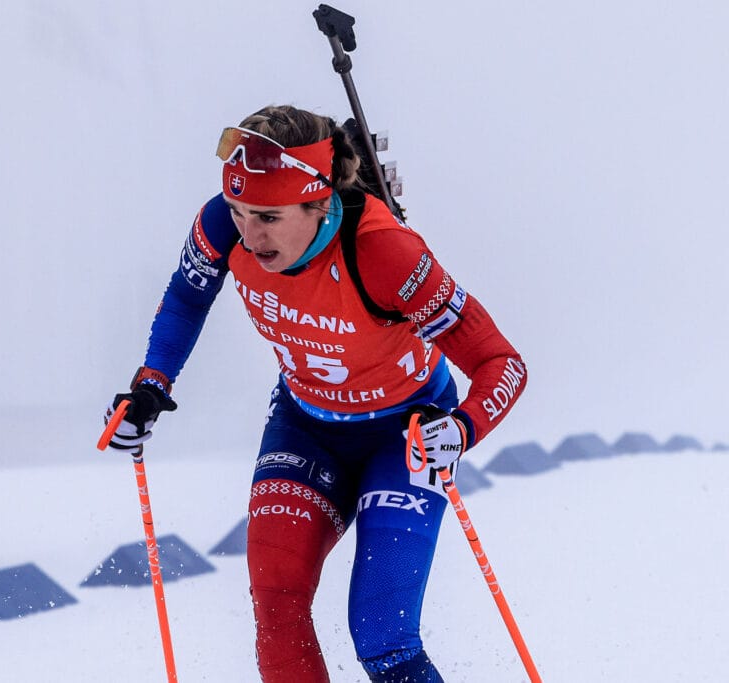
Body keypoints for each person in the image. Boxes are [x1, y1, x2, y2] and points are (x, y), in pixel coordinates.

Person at [104, 105, 527, 682]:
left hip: (405, 437)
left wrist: (461, 428)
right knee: (277, 608)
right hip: (306, 426)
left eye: (269, 217)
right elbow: (185, 298)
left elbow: (501, 362)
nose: (249, 235)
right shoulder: (222, 228)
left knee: (382, 633)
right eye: (239, 211)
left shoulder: (384, 253)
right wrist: (150, 386)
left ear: (320, 203)